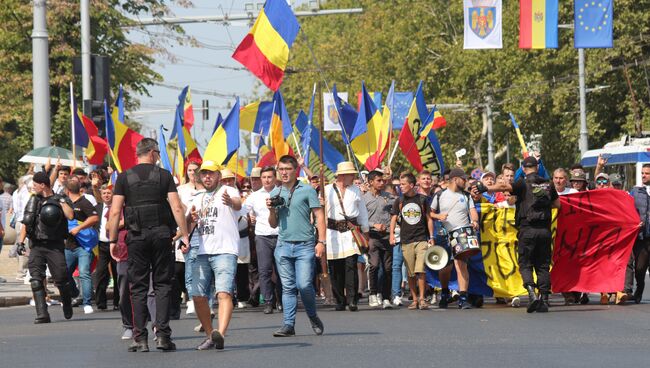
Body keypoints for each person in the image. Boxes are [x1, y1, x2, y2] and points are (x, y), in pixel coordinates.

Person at [107, 138, 189, 352]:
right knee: (162, 285)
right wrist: (185, 235)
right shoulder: (164, 176)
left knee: (139, 287)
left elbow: (115, 212)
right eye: (158, 153)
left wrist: (113, 240)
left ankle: (140, 338)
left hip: (136, 237)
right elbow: (177, 207)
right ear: (152, 153)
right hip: (162, 235)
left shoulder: (124, 177)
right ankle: (162, 336)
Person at [487, 156, 560, 313]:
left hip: (527, 229)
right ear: (537, 167)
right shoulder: (548, 183)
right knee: (543, 266)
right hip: (545, 230)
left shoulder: (522, 183)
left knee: (525, 263)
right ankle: (545, 300)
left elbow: (504, 188)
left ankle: (532, 294)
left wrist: (483, 187)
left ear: (524, 169)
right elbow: (557, 204)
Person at [268, 155, 326, 337]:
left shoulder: (308, 190)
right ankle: (288, 325)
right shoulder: (274, 193)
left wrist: (321, 242)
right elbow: (272, 224)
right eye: (281, 169)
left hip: (305, 245)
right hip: (283, 245)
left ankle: (312, 316)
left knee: (304, 285)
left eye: (288, 169)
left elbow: (319, 216)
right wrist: (271, 210)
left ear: (296, 170)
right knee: (287, 287)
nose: (284, 173)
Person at [186, 162, 242, 350]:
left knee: (223, 292)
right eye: (204, 174)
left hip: (225, 250)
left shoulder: (228, 190)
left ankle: (221, 333)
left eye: (211, 174)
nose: (207, 177)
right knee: (197, 295)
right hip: (202, 251)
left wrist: (230, 202)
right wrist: (190, 220)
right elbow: (186, 224)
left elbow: (237, 204)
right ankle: (211, 334)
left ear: (218, 175)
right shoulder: (198, 196)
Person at [16, 171, 74, 323]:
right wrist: (20, 242)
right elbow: (26, 222)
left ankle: (67, 303)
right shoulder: (33, 200)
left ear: (43, 185)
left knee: (61, 279)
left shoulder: (60, 198)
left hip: (54, 245)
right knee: (36, 279)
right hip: (36, 245)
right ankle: (42, 313)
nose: (33, 188)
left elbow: (70, 215)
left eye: (35, 185)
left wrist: (61, 201)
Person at [430, 168, 479, 310]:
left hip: (462, 234)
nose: (466, 182)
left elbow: (472, 211)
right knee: (446, 267)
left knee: (461, 265)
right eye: (463, 179)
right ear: (455, 179)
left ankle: (463, 297)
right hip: (445, 234)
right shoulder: (440, 195)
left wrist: (475, 221)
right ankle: (445, 292)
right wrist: (439, 217)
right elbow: (430, 214)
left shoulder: (466, 195)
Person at [324, 162, 370, 312]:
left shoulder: (356, 191)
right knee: (335, 268)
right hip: (332, 233)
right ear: (342, 176)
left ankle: (352, 299)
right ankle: (339, 300)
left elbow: (362, 211)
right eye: (351, 174)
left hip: (350, 232)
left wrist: (365, 230)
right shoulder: (327, 190)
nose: (353, 177)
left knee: (351, 265)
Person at [389, 172, 434, 310]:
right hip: (405, 240)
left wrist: (431, 237)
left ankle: (422, 298)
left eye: (403, 184)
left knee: (421, 270)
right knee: (410, 272)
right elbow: (393, 218)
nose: (400, 187)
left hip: (421, 239)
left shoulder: (422, 199)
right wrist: (391, 234)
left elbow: (429, 218)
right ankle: (414, 299)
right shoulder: (399, 201)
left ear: (412, 185)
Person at [241, 166, 282, 314]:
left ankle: (281, 301)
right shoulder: (255, 196)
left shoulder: (282, 192)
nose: (266, 180)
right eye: (264, 177)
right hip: (262, 236)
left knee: (281, 271)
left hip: (280, 235)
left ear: (275, 177)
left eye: (269, 177)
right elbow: (241, 210)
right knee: (264, 270)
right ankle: (268, 302)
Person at [63, 178, 99, 314]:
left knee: (84, 273)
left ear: (67, 191)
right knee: (63, 274)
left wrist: (79, 228)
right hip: (69, 245)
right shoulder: (66, 204)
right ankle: (74, 292)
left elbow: (94, 218)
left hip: (84, 245)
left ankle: (87, 302)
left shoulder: (84, 202)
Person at [363, 170, 395, 309]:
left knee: (388, 268)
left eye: (383, 180)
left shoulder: (388, 197)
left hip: (387, 236)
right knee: (374, 265)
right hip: (372, 236)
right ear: (370, 182)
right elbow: (360, 219)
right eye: (378, 180)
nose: (382, 183)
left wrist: (391, 178)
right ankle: (373, 294)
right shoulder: (364, 199)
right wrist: (373, 225)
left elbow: (400, 202)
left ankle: (387, 297)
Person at [94, 184, 119, 311]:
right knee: (101, 273)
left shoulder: (117, 207)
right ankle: (100, 302)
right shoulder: (97, 208)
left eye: (109, 193)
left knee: (117, 273)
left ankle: (117, 302)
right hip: (102, 244)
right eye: (104, 193)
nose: (106, 195)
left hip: (116, 243)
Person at [629, 164, 650, 304]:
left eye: (647, 173)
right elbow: (627, 208)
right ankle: (639, 289)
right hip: (641, 236)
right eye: (642, 173)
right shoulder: (635, 191)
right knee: (640, 268)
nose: (643, 175)